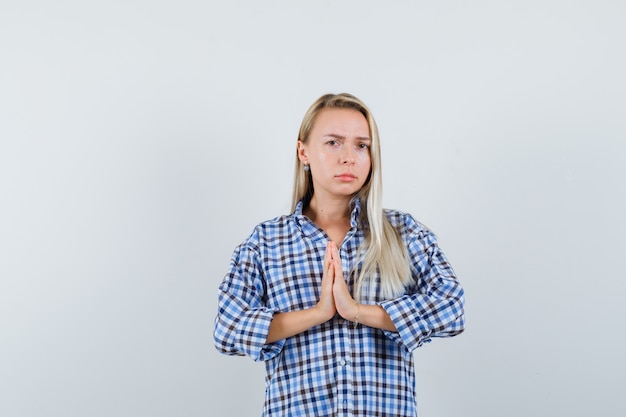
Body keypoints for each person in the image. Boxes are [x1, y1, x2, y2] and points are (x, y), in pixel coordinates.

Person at [213, 93, 465, 417]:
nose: (349, 157)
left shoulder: (403, 233)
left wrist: (357, 311)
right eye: (333, 143)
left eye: (362, 145)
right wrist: (318, 313)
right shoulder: (267, 242)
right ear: (303, 151)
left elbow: (452, 305)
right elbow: (227, 327)